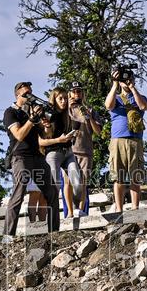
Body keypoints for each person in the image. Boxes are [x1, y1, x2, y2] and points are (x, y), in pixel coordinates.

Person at [3, 82, 59, 236]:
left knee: (52, 192)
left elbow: (46, 136)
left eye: (31, 92)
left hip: (37, 157)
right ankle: (8, 236)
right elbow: (19, 135)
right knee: (18, 195)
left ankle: (54, 232)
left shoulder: (32, 111)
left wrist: (46, 125)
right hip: (21, 157)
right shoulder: (10, 112)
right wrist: (31, 119)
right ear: (18, 95)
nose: (29, 96)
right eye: (26, 93)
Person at [105, 69, 147, 213]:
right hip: (118, 139)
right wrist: (115, 84)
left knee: (135, 177)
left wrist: (132, 88)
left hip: (135, 140)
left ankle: (135, 208)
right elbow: (108, 105)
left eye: (129, 78)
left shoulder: (140, 97)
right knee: (118, 177)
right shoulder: (116, 97)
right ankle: (119, 209)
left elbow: (143, 106)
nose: (126, 81)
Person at [40, 87, 84, 217]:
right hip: (53, 153)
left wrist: (73, 109)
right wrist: (58, 139)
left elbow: (79, 124)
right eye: (61, 98)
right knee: (55, 186)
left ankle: (76, 209)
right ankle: (52, 216)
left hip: (68, 152)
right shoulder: (48, 114)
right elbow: (43, 140)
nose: (64, 101)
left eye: (66, 98)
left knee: (77, 183)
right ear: (54, 98)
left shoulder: (67, 113)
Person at [67, 82, 101, 215]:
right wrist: (67, 109)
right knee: (69, 183)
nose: (77, 94)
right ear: (70, 93)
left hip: (86, 151)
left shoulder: (90, 109)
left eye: (79, 91)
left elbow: (98, 131)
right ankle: (69, 212)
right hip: (70, 151)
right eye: (74, 91)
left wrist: (89, 117)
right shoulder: (65, 109)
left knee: (83, 184)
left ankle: (80, 210)